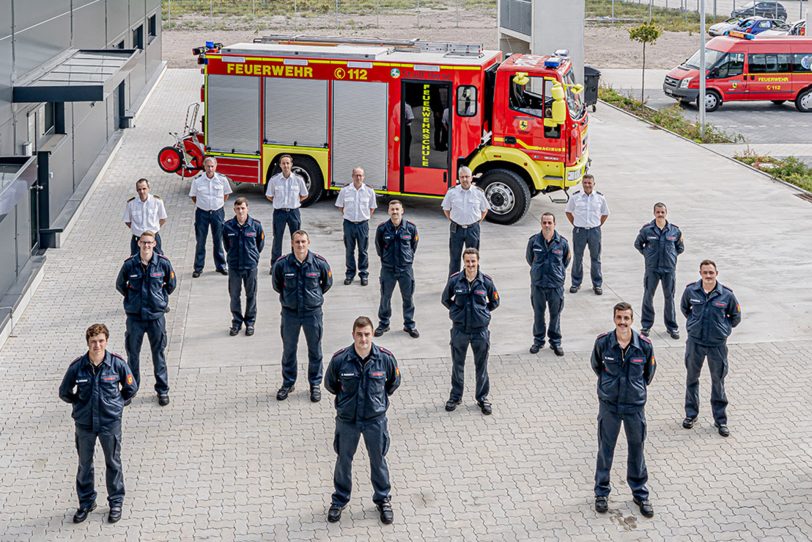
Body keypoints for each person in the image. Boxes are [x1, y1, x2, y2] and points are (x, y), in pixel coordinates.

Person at [324, 316, 401, 525]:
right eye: (359, 334)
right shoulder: (340, 359)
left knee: (378, 460)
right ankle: (339, 500)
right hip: (347, 420)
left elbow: (393, 383)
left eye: (367, 334)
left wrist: (377, 402)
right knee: (343, 460)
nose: (363, 339)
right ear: (353, 335)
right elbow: (330, 384)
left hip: (375, 421)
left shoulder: (385, 359)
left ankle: (383, 499)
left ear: (372, 334)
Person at [59, 324, 138, 524]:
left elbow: (130, 388)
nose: (97, 345)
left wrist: (118, 404)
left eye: (101, 341)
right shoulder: (78, 366)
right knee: (85, 464)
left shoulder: (117, 364)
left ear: (106, 341)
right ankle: (86, 502)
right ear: (88, 343)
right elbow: (64, 392)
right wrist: (79, 405)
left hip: (109, 423)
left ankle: (116, 502)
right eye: (93, 341)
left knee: (113, 462)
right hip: (84, 424)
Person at [591, 302, 656, 518]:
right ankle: (601, 493)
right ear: (614, 319)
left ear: (632, 320)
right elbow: (596, 366)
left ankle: (640, 493)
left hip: (634, 406)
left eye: (626, 318)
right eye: (619, 318)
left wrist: (634, 390)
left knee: (636, 449)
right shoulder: (603, 343)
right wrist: (609, 387)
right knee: (605, 450)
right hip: (609, 405)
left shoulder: (644, 345)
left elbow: (649, 373)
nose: (622, 322)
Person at [680, 260, 741, 437]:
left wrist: (723, 329)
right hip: (695, 343)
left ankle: (720, 420)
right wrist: (694, 325)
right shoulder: (691, 291)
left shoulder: (727, 295)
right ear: (700, 273)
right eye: (705, 272)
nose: (708, 275)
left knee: (718, 381)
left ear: (716, 273)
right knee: (692, 378)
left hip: (717, 345)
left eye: (711, 273)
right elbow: (685, 309)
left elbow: (735, 317)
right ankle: (691, 415)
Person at [115, 231, 176, 406]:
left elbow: (171, 285)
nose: (147, 246)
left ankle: (162, 390)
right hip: (135, 318)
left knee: (159, 355)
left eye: (150, 243)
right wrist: (132, 300)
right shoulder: (129, 265)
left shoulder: (163, 264)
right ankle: (131, 390)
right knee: (133, 355)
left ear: (155, 244)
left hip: (156, 317)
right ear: (139, 244)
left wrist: (160, 299)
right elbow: (120, 285)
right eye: (144, 243)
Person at [271, 230, 333, 402]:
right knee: (289, 350)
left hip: (312, 314)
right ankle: (288, 383)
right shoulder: (282, 264)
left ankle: (314, 385)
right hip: (290, 314)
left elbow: (326, 283)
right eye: (297, 242)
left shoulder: (319, 263)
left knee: (315, 350)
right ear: (292, 243)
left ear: (308, 242)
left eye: (303, 241)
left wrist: (313, 299)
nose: (300, 245)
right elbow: (277, 285)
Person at [441, 248, 499, 415]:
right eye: (468, 261)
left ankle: (482, 398)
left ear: (478, 261)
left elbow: (495, 301)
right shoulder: (455, 280)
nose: (471, 264)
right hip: (460, 330)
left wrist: (483, 314)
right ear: (463, 262)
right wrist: (456, 313)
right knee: (457, 365)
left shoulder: (486, 282)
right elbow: (445, 299)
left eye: (473, 261)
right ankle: (455, 397)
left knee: (481, 366)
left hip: (480, 331)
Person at [634, 203, 685, 339]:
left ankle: (672, 327)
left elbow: (680, 248)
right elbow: (638, 244)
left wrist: (671, 257)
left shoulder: (674, 231)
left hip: (669, 270)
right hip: (653, 269)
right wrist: (648, 255)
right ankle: (646, 326)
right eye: (658, 212)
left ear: (666, 213)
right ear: (654, 213)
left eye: (662, 212)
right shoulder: (647, 230)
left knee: (669, 298)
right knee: (648, 296)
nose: (660, 214)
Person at [526, 212, 571, 356]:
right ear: (541, 224)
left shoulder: (562, 243)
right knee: (538, 314)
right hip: (538, 284)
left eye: (549, 223)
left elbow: (566, 260)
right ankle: (538, 341)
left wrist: (557, 273)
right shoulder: (534, 241)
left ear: (554, 224)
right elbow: (529, 259)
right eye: (544, 222)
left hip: (555, 285)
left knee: (555, 315)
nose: (547, 225)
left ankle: (555, 342)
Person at [374, 200, 419, 338]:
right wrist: (387, 259)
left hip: (405, 269)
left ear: (402, 211)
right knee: (385, 297)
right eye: (392, 209)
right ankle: (384, 323)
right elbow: (379, 246)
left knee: (408, 298)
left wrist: (407, 259)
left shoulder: (411, 228)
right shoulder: (382, 228)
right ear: (388, 211)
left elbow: (413, 245)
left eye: (397, 209)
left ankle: (409, 325)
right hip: (388, 269)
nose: (395, 212)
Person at [222, 197, 265, 337]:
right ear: (234, 209)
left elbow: (260, 244)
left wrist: (253, 257)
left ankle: (250, 322)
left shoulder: (256, 226)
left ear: (247, 208)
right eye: (238, 208)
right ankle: (236, 322)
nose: (240, 211)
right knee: (234, 295)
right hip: (234, 266)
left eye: (243, 208)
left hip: (250, 266)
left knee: (251, 295)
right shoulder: (227, 226)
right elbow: (226, 245)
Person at [565, 174, 609, 295]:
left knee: (596, 258)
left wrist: (598, 225)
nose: (587, 185)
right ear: (582, 184)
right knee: (578, 258)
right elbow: (568, 211)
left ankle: (597, 284)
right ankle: (576, 283)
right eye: (585, 183)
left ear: (594, 184)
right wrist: (575, 223)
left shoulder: (600, 198)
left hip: (594, 231)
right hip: (580, 231)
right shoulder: (575, 197)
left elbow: (605, 213)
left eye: (589, 183)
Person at [441, 166, 489, 276]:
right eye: (462, 177)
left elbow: (484, 210)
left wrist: (475, 222)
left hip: (473, 229)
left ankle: (474, 282)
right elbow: (446, 209)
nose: (465, 179)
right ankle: (453, 285)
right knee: (454, 259)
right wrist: (455, 220)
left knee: (473, 259)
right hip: (456, 229)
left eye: (467, 176)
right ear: (459, 178)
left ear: (472, 178)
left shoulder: (478, 192)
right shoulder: (452, 192)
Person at [189, 156, 232, 277]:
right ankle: (198, 268)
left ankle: (221, 266)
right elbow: (193, 196)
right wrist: (203, 205)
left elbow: (226, 195)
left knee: (218, 240)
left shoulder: (222, 180)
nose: (210, 168)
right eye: (208, 166)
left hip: (217, 213)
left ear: (216, 166)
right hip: (202, 213)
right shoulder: (197, 181)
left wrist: (217, 205)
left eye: (212, 166)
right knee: (200, 241)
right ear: (204, 166)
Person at [335, 167, 377, 286]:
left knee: (363, 251)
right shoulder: (345, 191)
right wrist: (349, 216)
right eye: (356, 175)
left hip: (363, 225)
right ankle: (349, 274)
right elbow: (340, 206)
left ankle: (363, 274)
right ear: (352, 176)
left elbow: (372, 208)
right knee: (349, 251)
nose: (358, 178)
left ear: (363, 177)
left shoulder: (369, 191)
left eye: (361, 175)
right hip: (349, 224)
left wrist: (363, 217)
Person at [265, 154, 308, 269]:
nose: (286, 165)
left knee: (296, 239)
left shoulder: (298, 180)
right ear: (280, 165)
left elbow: (304, 195)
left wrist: (294, 202)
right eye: (283, 163)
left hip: (294, 212)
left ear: (291, 165)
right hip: (279, 212)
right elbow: (269, 196)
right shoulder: (274, 180)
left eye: (288, 163)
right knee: (277, 238)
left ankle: (295, 262)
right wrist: (279, 203)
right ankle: (275, 264)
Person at [123, 178, 167, 255]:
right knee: (135, 261)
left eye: (144, 189)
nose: (142, 192)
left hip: (153, 237)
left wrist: (154, 228)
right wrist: (136, 229)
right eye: (139, 189)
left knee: (158, 260)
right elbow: (127, 221)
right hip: (137, 238)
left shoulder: (157, 201)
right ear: (136, 190)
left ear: (148, 188)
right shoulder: (131, 204)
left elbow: (163, 218)